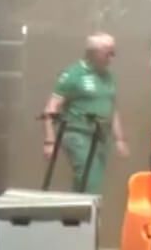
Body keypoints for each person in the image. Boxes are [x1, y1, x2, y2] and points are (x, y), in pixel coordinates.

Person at [42, 32, 129, 194]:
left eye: (113, 53)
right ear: (94, 53)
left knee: (90, 182)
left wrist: (120, 139)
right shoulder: (73, 74)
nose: (112, 58)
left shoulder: (108, 76)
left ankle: (77, 209)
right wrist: (50, 141)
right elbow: (51, 107)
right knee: (89, 179)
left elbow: (112, 108)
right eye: (108, 53)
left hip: (101, 136)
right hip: (78, 134)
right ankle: (84, 208)